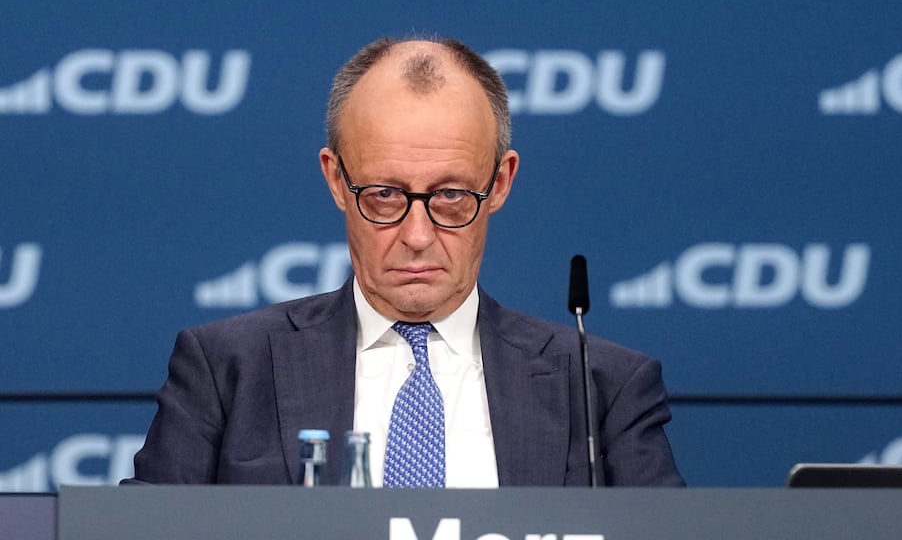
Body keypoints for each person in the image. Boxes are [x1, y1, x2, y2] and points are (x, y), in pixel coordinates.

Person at [125, 36, 684, 487]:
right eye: (385, 195)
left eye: (450, 196)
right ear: (336, 180)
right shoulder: (227, 368)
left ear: (501, 182)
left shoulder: (601, 388)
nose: (417, 236)